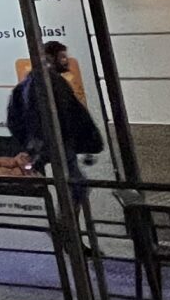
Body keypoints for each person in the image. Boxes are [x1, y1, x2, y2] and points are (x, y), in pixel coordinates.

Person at [8, 42, 103, 202]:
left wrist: (29, 143)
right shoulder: (53, 82)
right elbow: (67, 114)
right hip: (58, 143)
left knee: (75, 187)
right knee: (76, 188)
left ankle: (66, 220)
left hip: (45, 143)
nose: (66, 60)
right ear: (51, 58)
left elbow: (15, 119)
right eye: (63, 56)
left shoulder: (27, 84)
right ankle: (67, 223)